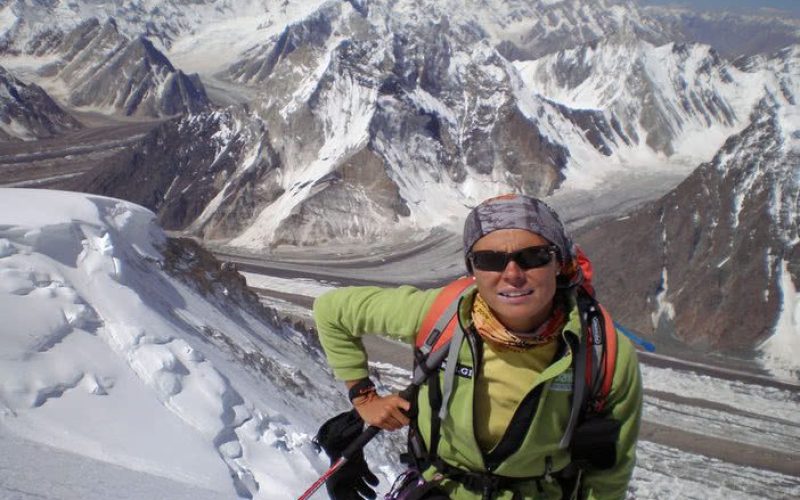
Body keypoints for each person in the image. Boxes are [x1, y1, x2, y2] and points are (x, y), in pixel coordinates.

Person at [313, 194, 643, 500]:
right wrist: (364, 397)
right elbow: (332, 312)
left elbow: (609, 476)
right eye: (490, 260)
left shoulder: (603, 352)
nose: (512, 274)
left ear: (559, 263)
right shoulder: (439, 314)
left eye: (533, 257)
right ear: (472, 269)